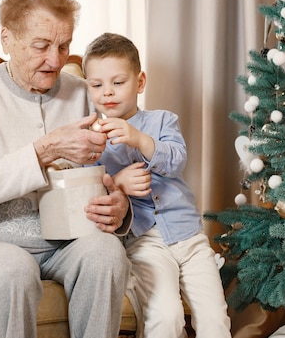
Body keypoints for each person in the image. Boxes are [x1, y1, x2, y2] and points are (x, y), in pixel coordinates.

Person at [0, 0, 132, 338]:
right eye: (42, 45)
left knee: (106, 252)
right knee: (11, 270)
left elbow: (117, 170)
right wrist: (45, 150)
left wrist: (121, 206)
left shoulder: (83, 90)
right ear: (7, 40)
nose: (56, 60)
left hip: (70, 240)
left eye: (64, 45)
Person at [82, 32, 232, 338]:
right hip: (145, 242)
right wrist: (118, 184)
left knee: (215, 320)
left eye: (118, 82)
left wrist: (140, 140)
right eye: (97, 85)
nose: (107, 93)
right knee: (165, 316)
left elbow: (176, 160)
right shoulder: (91, 138)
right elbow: (89, 194)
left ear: (139, 82)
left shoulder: (163, 121)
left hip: (188, 237)